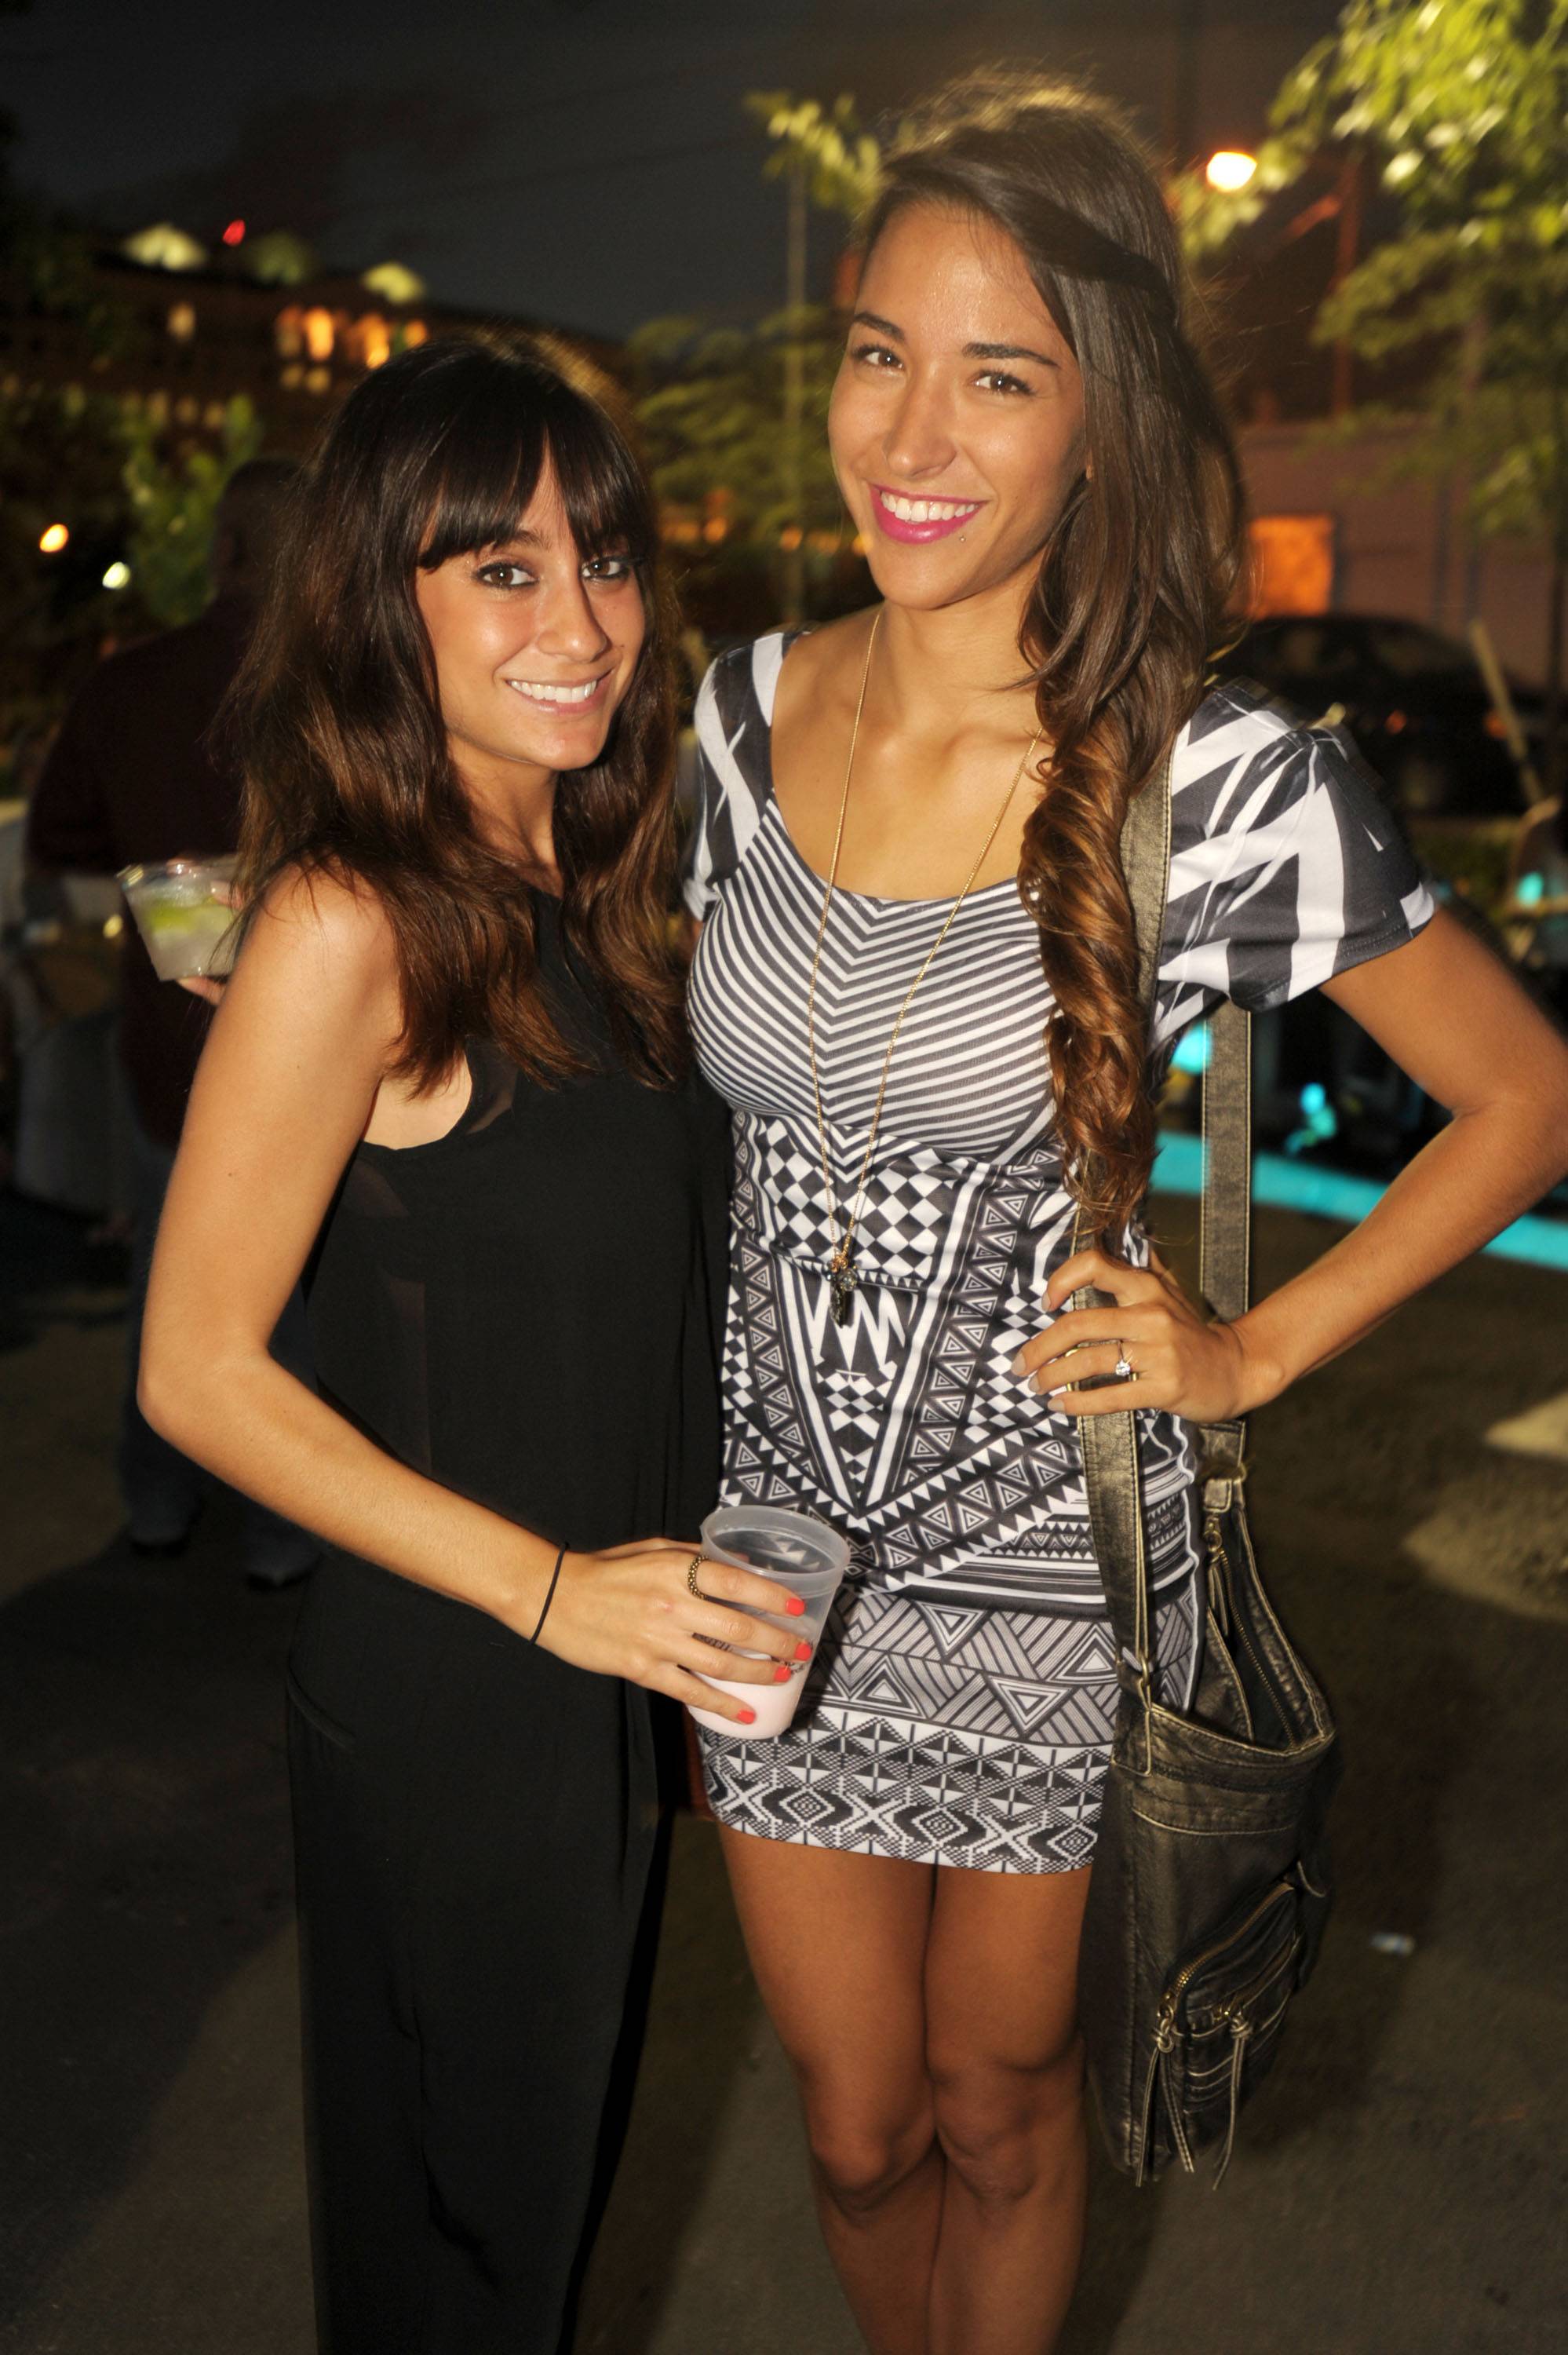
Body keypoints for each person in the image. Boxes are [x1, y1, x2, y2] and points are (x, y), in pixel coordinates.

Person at [681, 78, 1568, 2355]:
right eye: (878, 352)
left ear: (1101, 423)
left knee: (998, 2105)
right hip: (768, 1547)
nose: (914, 432)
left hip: (1051, 1565)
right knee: (850, 2123)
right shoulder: (733, 718)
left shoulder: (1216, 771)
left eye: (999, 376)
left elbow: (1525, 1097)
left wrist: (1247, 1353)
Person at [138, 336, 809, 2354]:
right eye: (501, 570)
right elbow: (195, 1368)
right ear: (385, 596)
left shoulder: (605, 881)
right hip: (460, 1689)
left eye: (602, 558)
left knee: (534, 2221)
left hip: (603, 1677)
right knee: (465, 2259)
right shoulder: (350, 920)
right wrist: (552, 1592)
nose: (579, 622)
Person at [25, 458, 319, 1586]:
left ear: (223, 551)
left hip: (171, 1048)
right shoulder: (353, 685)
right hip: (320, 1051)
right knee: (298, 1292)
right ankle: (286, 1528)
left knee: (170, 1279)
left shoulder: (131, 685)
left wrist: (165, 874)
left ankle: (157, 1502)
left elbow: (58, 845)